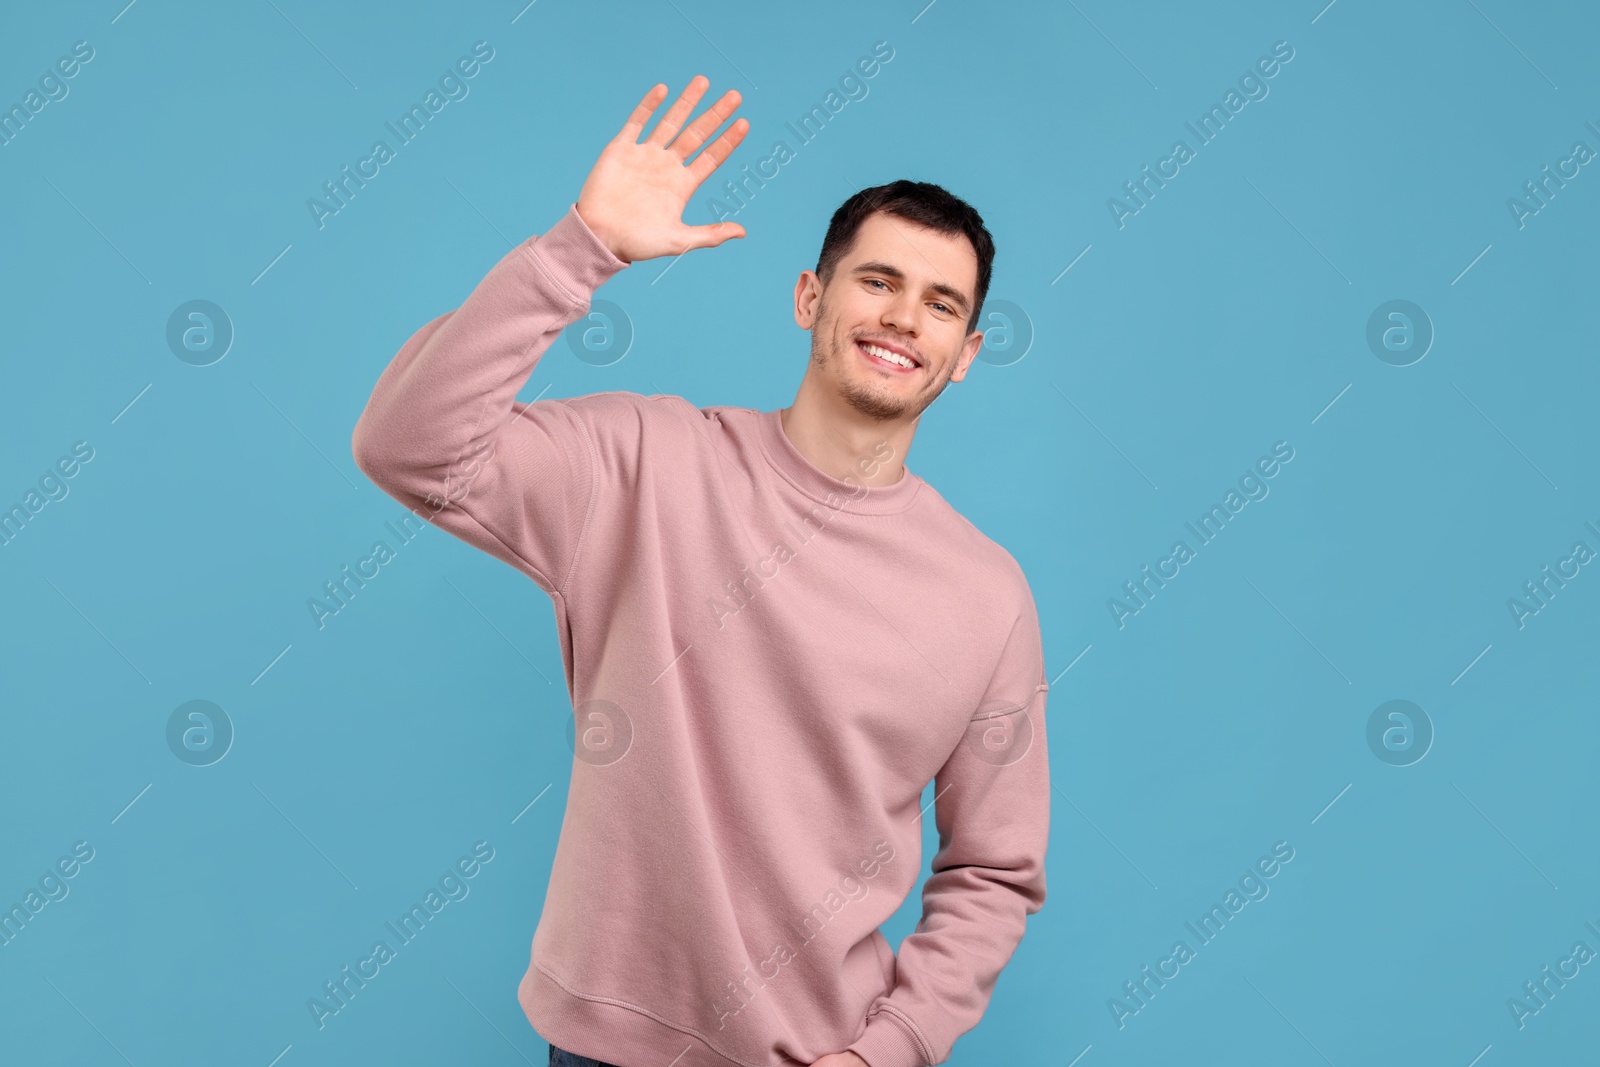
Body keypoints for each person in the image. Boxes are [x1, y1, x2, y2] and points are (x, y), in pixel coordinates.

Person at [352, 75, 1050, 1067]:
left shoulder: (988, 594)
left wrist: (887, 1052)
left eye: (941, 304)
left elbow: (993, 869)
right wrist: (578, 248)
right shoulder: (647, 460)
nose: (904, 318)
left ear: (965, 352)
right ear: (810, 295)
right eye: (878, 280)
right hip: (599, 1048)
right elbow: (408, 446)